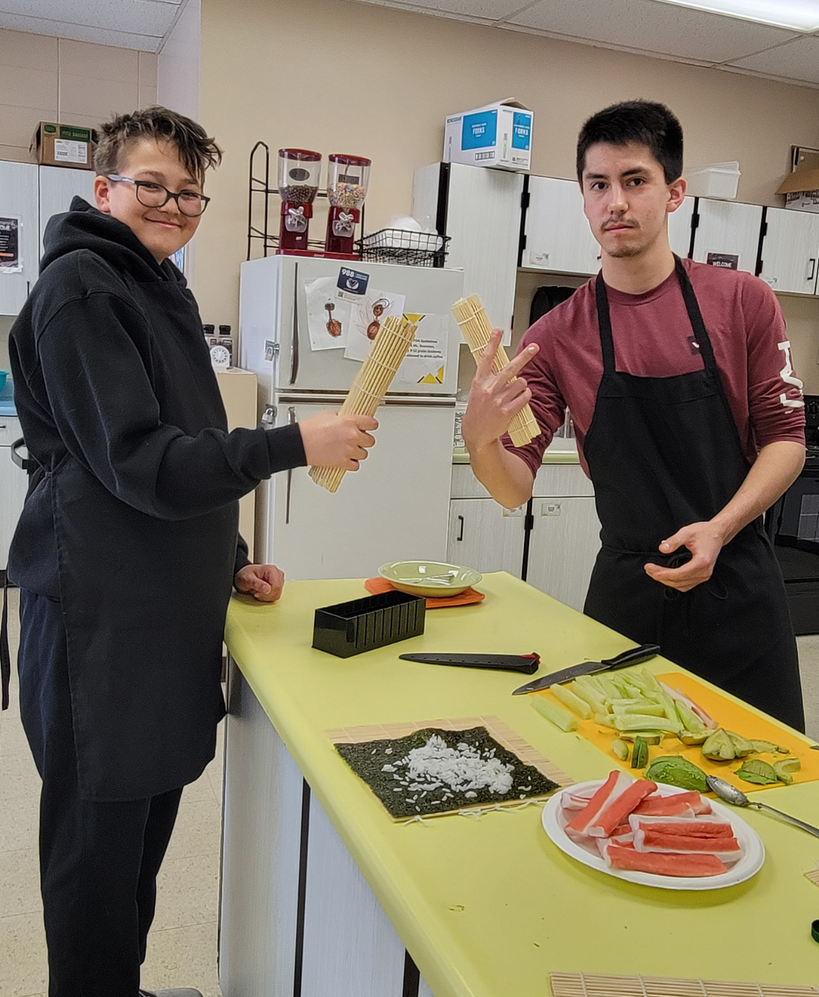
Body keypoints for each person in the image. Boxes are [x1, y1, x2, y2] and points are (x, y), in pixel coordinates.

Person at [5, 106, 377, 997]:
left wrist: (230, 556)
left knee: (137, 851)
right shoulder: (87, 285)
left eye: (187, 194)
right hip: (102, 617)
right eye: (149, 187)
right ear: (104, 189)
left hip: (157, 605)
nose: (171, 206)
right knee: (96, 867)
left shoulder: (156, 283)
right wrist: (292, 442)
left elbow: (186, 442)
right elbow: (141, 463)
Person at [463, 99, 806, 730]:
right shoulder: (557, 336)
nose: (614, 201)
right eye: (599, 185)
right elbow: (513, 490)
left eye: (635, 181)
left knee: (767, 772)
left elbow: (786, 440)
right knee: (623, 775)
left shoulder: (741, 301)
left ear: (674, 194)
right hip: (630, 590)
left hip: (739, 584)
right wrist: (480, 440)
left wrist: (719, 529)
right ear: (584, 198)